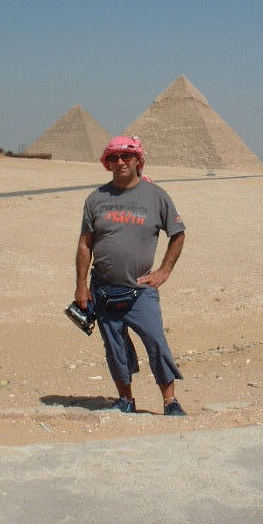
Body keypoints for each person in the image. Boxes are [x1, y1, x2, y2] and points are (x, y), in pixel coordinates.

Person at [74, 135, 187, 416]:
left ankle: (170, 402)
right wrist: (80, 286)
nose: (120, 162)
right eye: (113, 157)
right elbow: (85, 245)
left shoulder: (156, 196)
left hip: (141, 291)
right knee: (115, 348)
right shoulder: (96, 199)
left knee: (156, 342)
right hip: (103, 289)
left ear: (138, 160)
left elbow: (178, 233)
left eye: (126, 156)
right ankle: (126, 400)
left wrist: (164, 271)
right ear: (107, 163)